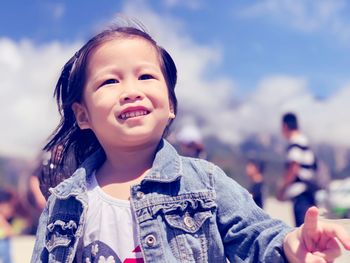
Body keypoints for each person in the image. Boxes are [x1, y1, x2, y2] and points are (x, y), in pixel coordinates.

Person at [31, 24, 350, 263]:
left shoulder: (205, 184)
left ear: (170, 104)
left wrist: (291, 244)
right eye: (110, 81)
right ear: (83, 115)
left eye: (145, 77)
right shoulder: (64, 202)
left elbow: (255, 235)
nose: (130, 90)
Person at [277, 112, 318, 227]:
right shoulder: (304, 141)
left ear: (284, 126)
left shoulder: (295, 142)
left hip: (301, 195)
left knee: (303, 232)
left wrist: (282, 189)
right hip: (308, 192)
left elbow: (293, 168)